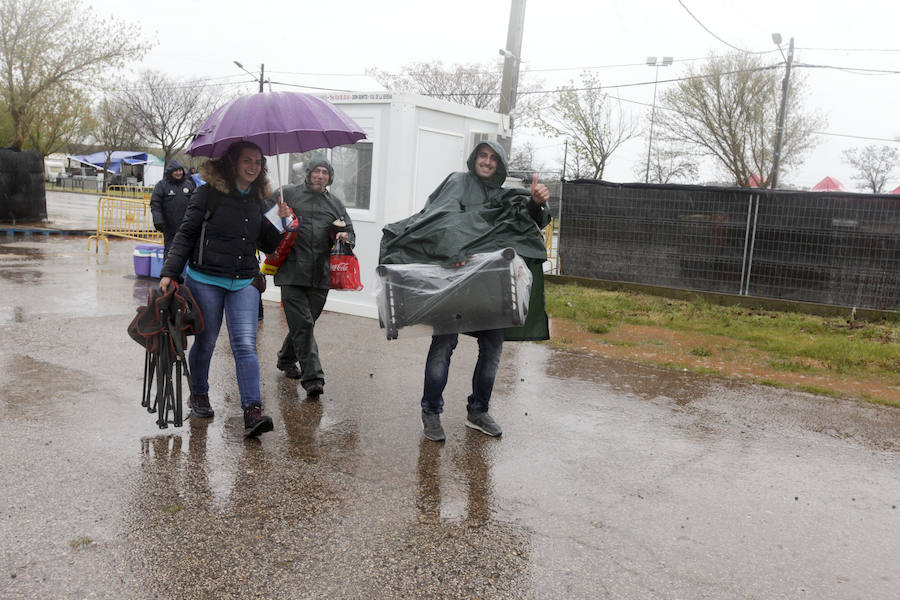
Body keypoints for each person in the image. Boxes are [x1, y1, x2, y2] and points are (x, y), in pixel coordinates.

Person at [379, 141, 550, 442]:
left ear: (501, 165)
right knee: (444, 345)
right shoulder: (458, 182)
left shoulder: (503, 195)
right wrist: (451, 249)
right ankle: (431, 412)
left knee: (493, 347)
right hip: (455, 278)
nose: (486, 161)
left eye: (493, 158)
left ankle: (478, 411)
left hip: (489, 285)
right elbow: (439, 217)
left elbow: (524, 221)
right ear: (474, 159)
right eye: (482, 156)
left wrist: (535, 203)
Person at [159, 141, 293, 438]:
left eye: (258, 162)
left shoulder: (260, 200)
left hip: (243, 280)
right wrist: (169, 272)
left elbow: (267, 245)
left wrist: (282, 223)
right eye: (247, 160)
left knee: (245, 344)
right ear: (232, 163)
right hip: (205, 279)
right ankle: (199, 394)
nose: (253, 167)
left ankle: (252, 410)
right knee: (206, 342)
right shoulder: (207, 194)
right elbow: (186, 234)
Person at [272, 158, 355, 399]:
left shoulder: (335, 203)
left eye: (325, 173)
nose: (320, 176)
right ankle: (313, 378)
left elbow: (349, 230)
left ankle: (286, 358)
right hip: (291, 271)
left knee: (304, 323)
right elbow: (266, 222)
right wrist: (279, 216)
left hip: (321, 273)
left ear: (330, 177)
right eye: (316, 171)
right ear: (308, 173)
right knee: (304, 324)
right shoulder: (286, 194)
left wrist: (344, 236)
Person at [150, 160, 196, 259]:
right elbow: (155, 204)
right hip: (169, 226)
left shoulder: (189, 184)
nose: (178, 173)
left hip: (187, 226)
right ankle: (168, 274)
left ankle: (185, 274)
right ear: (170, 172)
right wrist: (158, 220)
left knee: (188, 251)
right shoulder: (162, 185)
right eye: (176, 171)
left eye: (180, 170)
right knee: (170, 252)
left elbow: (196, 203)